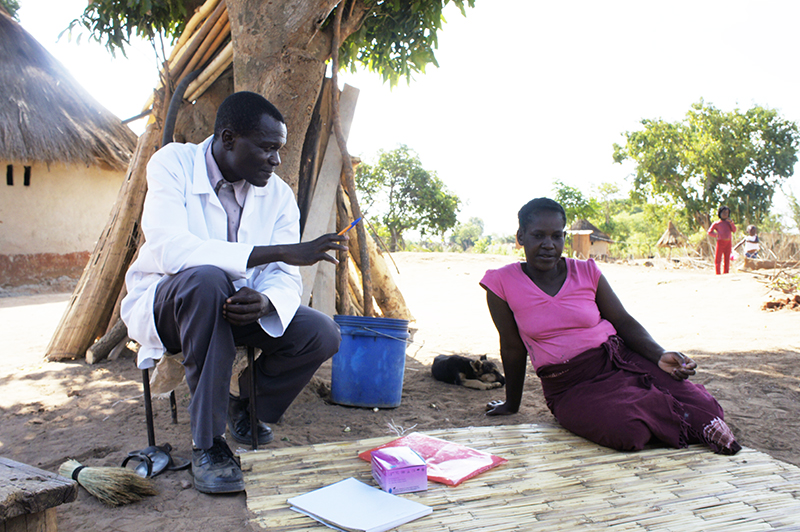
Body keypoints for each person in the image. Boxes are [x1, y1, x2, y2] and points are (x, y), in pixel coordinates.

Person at [121, 92, 346, 494]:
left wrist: (265, 301)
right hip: (172, 306)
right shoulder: (173, 164)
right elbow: (170, 249)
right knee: (207, 280)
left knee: (321, 333)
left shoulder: (278, 194)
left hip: (234, 311)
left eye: (279, 150)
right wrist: (280, 251)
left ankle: (245, 404)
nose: (276, 160)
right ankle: (208, 445)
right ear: (228, 139)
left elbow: (284, 278)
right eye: (267, 148)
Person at [480, 198, 741, 456]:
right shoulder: (501, 283)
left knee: (707, 407)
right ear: (521, 237)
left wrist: (658, 355)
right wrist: (511, 404)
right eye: (538, 235)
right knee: (627, 432)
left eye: (556, 236)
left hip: (621, 359)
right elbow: (513, 348)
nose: (548, 244)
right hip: (570, 383)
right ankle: (667, 409)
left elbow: (622, 320)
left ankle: (654, 401)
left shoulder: (586, 271)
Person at [707, 206, 736, 274]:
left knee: (727, 258)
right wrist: (716, 235)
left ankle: (726, 272)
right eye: (723, 212)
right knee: (718, 258)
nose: (725, 214)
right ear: (720, 213)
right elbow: (709, 232)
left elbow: (734, 230)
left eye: (727, 213)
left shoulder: (729, 223)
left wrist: (731, 223)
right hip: (720, 242)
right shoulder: (717, 223)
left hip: (728, 242)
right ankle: (718, 272)